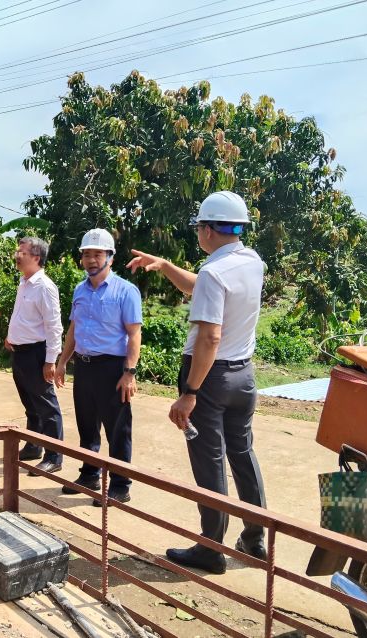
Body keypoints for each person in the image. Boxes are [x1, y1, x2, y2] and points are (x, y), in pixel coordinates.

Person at [127, 190, 267, 575]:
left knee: (210, 463)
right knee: (243, 455)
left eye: (199, 228)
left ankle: (210, 549)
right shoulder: (252, 262)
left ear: (207, 230)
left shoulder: (213, 272)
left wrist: (189, 393)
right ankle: (254, 539)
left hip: (210, 379)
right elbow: (199, 287)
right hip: (243, 377)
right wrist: (166, 265)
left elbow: (210, 337)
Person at [55, 228, 142, 506]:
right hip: (85, 366)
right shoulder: (80, 290)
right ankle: (90, 473)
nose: (92, 260)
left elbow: (134, 333)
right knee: (87, 425)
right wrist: (62, 362)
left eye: (98, 254)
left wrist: (129, 373)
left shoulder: (126, 291)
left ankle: (120, 485)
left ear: (110, 258)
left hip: (113, 368)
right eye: (87, 254)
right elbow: (73, 329)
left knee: (117, 429)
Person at [5, 237, 65, 475]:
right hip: (20, 353)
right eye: (18, 250)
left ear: (36, 258)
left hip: (37, 354)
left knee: (47, 406)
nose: (17, 255)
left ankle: (54, 456)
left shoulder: (45, 286)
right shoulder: (24, 282)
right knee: (30, 404)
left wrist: (51, 360)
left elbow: (54, 326)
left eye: (23, 252)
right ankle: (34, 445)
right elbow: (25, 316)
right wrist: (12, 336)